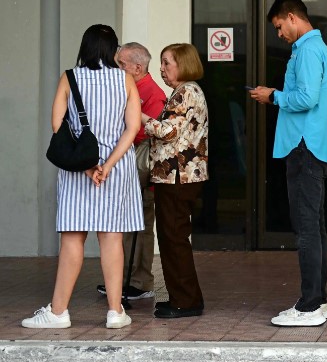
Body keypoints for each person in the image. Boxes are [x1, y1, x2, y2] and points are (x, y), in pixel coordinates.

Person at [22, 24, 142, 329]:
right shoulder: (125, 79)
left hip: (78, 168)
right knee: (112, 238)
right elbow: (132, 129)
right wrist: (109, 163)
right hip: (117, 169)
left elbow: (57, 126)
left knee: (73, 238)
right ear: (114, 51)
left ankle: (59, 312)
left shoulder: (69, 78)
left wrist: (88, 166)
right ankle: (116, 311)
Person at [250, 0, 327, 327]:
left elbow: (306, 98)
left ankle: (309, 304)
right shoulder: (316, 50)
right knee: (314, 227)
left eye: (278, 27)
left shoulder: (309, 50)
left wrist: (272, 95)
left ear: (291, 17)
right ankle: (319, 301)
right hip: (311, 145)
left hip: (304, 146)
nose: (279, 34)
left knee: (306, 229)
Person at [143, 43, 209, 318]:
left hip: (177, 177)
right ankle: (183, 297)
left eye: (167, 63)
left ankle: (185, 301)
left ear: (182, 64)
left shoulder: (185, 93)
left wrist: (141, 118)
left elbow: (169, 131)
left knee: (174, 237)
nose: (161, 69)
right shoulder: (185, 92)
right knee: (173, 237)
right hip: (177, 177)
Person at [97, 42, 166, 301]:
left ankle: (139, 281)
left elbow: (143, 135)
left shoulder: (152, 93)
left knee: (142, 228)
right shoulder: (130, 88)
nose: (117, 68)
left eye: (121, 64)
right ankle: (122, 279)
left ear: (137, 67)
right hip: (125, 171)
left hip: (141, 174)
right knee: (124, 228)